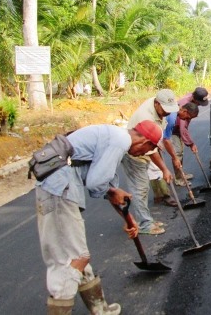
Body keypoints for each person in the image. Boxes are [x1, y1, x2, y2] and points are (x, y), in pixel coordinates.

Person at [35, 120, 162, 314]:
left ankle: (100, 309)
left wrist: (128, 218)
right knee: (75, 258)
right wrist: (113, 191)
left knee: (76, 253)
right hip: (59, 190)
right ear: (144, 141)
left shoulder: (113, 136)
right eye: (149, 149)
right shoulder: (120, 141)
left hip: (59, 187)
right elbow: (97, 183)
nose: (144, 153)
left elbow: (105, 185)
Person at [120, 89, 180, 235]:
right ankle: (144, 224)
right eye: (165, 110)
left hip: (145, 150)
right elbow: (150, 150)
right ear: (157, 104)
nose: (167, 113)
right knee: (140, 188)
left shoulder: (159, 106)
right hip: (135, 154)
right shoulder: (145, 118)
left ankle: (146, 219)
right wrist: (164, 169)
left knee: (143, 187)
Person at [172, 87, 209, 185]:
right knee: (178, 152)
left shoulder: (191, 100)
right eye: (199, 103)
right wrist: (191, 144)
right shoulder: (185, 106)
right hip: (172, 129)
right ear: (195, 99)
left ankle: (180, 173)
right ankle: (179, 179)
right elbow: (182, 128)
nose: (199, 105)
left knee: (180, 151)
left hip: (177, 128)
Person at [165, 102, 200, 186]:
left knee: (178, 153)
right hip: (166, 133)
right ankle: (179, 179)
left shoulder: (180, 112)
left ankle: (180, 175)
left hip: (171, 132)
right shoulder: (172, 117)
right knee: (177, 154)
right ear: (184, 111)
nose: (188, 119)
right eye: (188, 117)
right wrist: (191, 144)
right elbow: (166, 139)